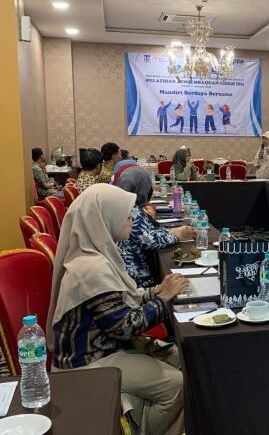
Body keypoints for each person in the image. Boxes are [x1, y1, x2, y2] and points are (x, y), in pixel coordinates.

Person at [46, 184, 187, 435]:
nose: (132, 219)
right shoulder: (91, 269)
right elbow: (124, 327)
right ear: (105, 219)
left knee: (179, 357)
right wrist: (163, 299)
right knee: (177, 384)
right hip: (88, 361)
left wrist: (156, 290)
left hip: (104, 347)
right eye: (125, 214)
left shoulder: (98, 254)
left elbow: (122, 298)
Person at [116, 166, 196, 288]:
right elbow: (149, 240)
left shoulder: (121, 203)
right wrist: (177, 236)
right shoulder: (129, 208)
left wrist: (170, 231)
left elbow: (147, 231)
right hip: (137, 279)